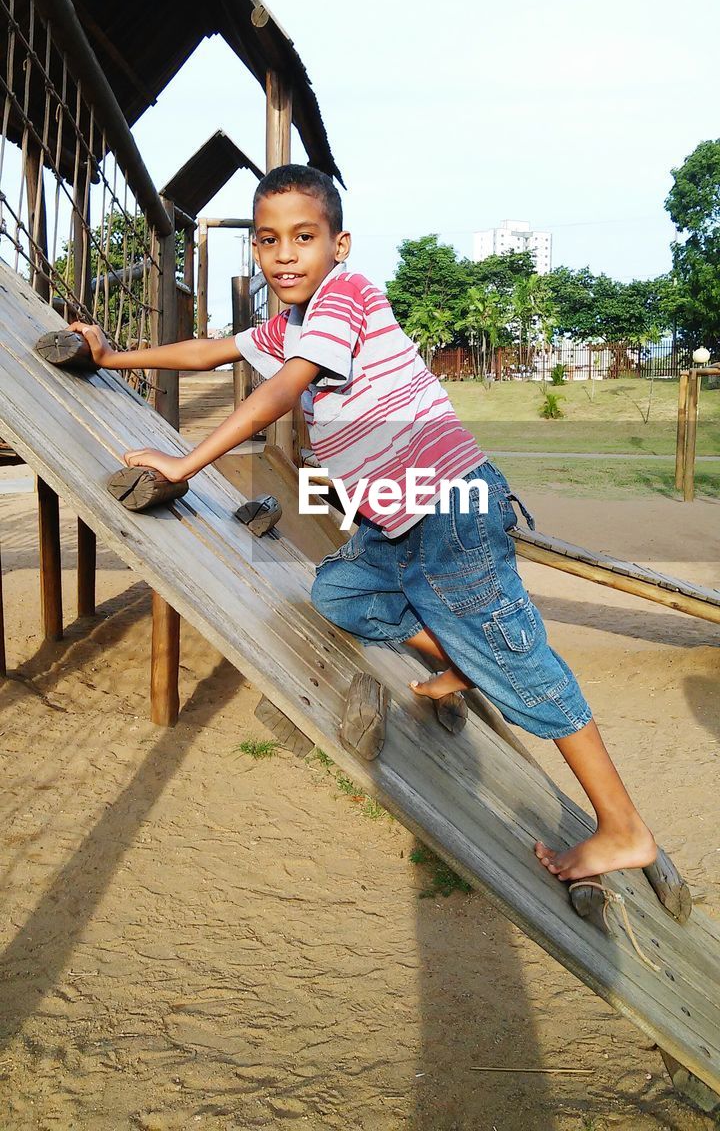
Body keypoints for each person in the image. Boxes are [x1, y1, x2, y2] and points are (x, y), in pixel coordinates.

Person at [71, 164, 657, 884]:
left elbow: (284, 389)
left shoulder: (345, 298)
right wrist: (111, 355)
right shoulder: (293, 322)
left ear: (338, 245)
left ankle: (624, 827)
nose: (285, 253)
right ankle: (460, 656)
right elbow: (209, 350)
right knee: (340, 594)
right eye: (268, 240)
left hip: (448, 507)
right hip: (395, 524)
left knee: (524, 666)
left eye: (304, 237)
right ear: (255, 250)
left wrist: (185, 463)